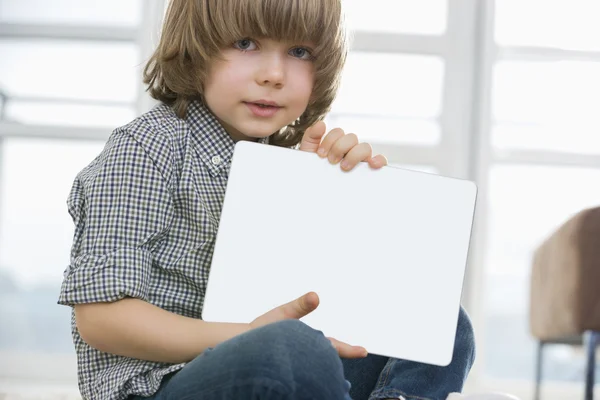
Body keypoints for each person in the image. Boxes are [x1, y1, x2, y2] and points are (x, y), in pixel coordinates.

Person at [57, 0, 475, 399]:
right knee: (291, 348)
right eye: (245, 44)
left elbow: (306, 300)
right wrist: (250, 333)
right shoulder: (148, 147)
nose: (274, 74)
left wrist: (322, 193)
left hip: (285, 362)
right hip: (163, 386)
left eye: (298, 51)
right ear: (193, 50)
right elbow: (101, 318)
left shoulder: (281, 160)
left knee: (440, 320)